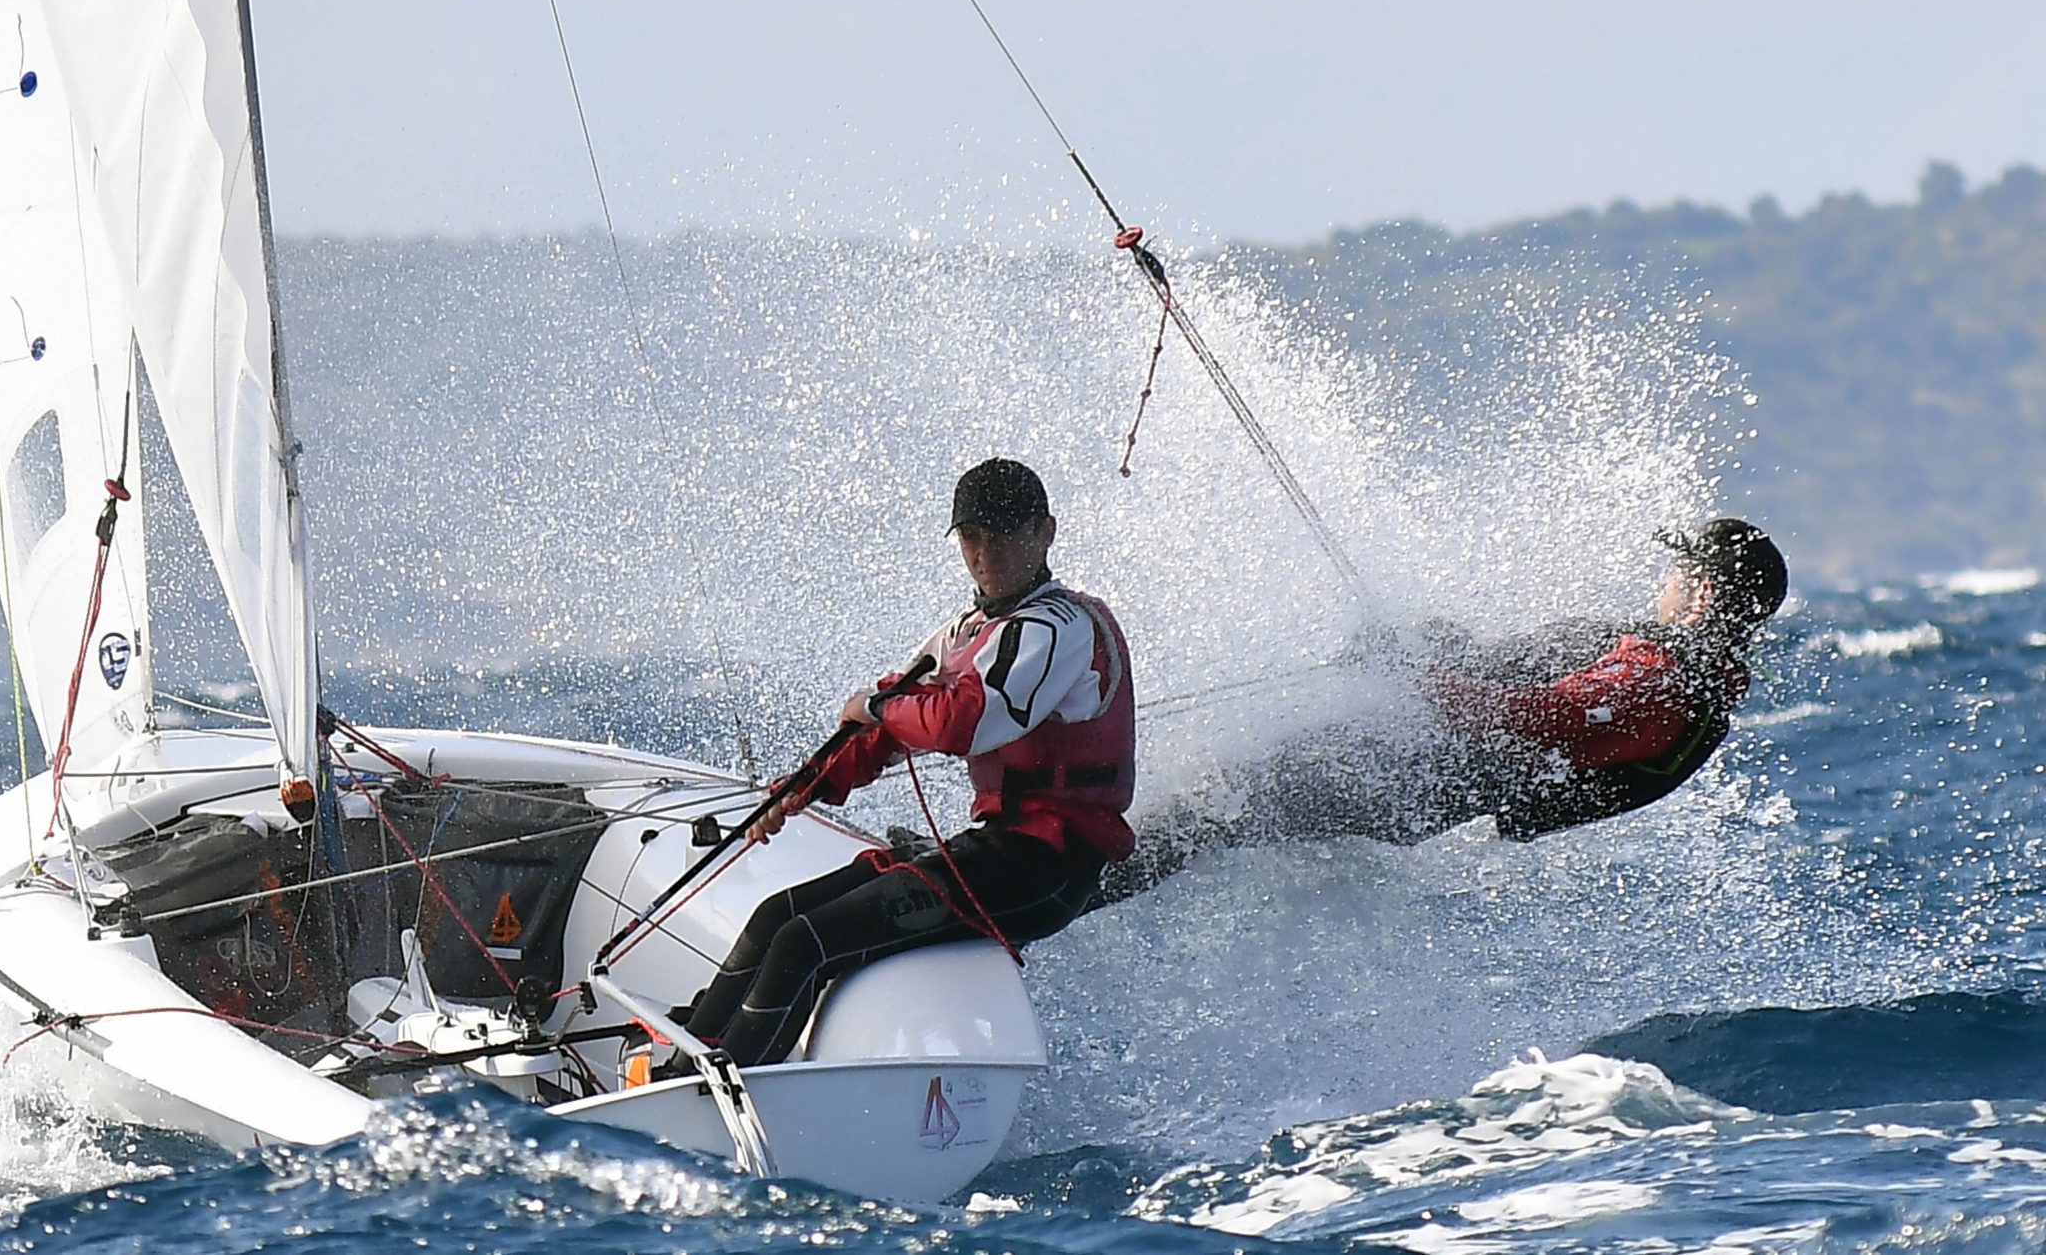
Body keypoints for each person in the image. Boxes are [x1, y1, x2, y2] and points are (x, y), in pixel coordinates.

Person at [676, 458, 1137, 1069]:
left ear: (1046, 533)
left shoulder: (1060, 626)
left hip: (1050, 870)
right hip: (995, 850)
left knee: (803, 944)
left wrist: (875, 705)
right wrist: (800, 790)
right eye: (972, 538)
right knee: (776, 916)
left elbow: (962, 722)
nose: (986, 554)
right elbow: (881, 732)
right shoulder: (964, 633)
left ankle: (717, 1092)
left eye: (1004, 536)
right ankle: (682, 1064)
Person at [1098, 518, 1788, 904]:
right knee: (1207, 811)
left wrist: (1417, 682)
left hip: (1410, 779)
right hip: (1414, 779)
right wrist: (1435, 644)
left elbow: (1544, 719)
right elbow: (1519, 675)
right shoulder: (1676, 674)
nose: (1662, 583)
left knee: (1207, 811)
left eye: (1678, 572)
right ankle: (1054, 893)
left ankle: (1036, 903)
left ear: (1699, 593)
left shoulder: (1662, 680)